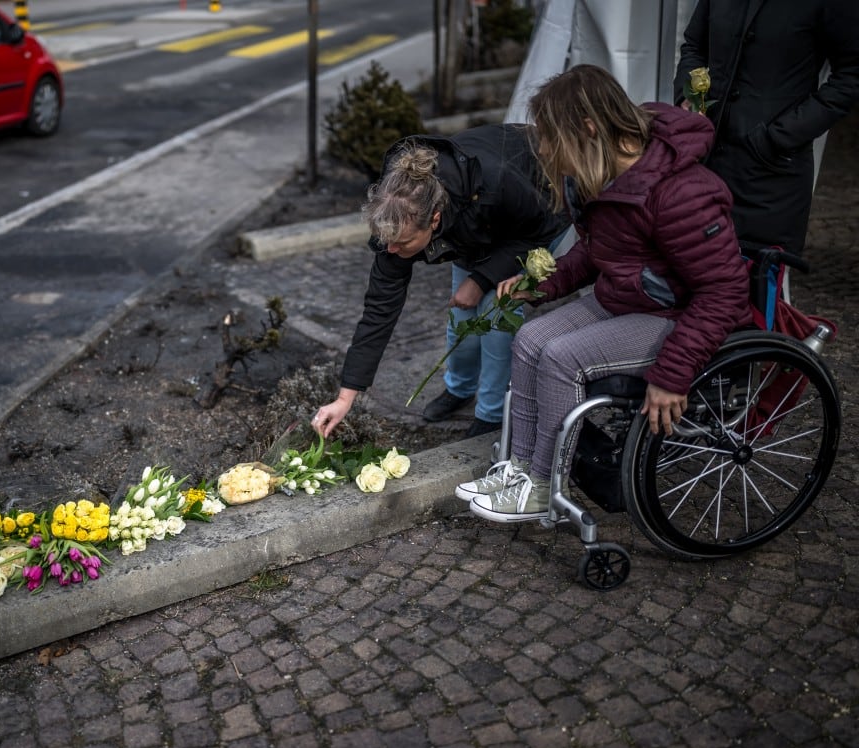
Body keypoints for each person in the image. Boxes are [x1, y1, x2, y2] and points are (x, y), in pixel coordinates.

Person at [459, 64, 753, 523]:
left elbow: (724, 291)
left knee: (560, 357)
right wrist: (542, 285)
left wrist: (672, 374)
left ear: (589, 130)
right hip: (625, 299)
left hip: (675, 313)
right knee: (530, 339)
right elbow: (597, 251)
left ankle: (542, 487)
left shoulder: (680, 191)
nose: (544, 150)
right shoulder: (602, 174)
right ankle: (516, 470)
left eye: (551, 138)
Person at [310, 125, 568, 441]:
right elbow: (379, 311)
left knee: (495, 312)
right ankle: (459, 388)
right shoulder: (396, 221)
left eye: (403, 244)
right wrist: (345, 398)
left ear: (433, 220)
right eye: (388, 243)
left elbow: (541, 226)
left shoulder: (495, 181)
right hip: (472, 229)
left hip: (534, 214)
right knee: (461, 316)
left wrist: (481, 278)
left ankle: (491, 415)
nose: (393, 252)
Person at [674, 0, 859, 256]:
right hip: (705, 164)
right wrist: (692, 100)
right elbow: (694, 46)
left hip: (770, 177)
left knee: (751, 285)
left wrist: (780, 136)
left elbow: (851, 75)